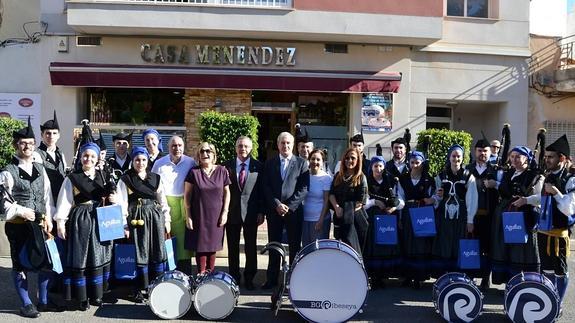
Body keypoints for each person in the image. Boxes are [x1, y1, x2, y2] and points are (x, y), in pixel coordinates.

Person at [1, 118, 57, 318]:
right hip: (18, 226)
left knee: (45, 262)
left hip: (40, 223)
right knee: (20, 264)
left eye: (31, 143)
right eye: (24, 143)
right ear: (16, 145)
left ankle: (43, 301)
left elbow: (46, 196)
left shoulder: (41, 168)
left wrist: (49, 217)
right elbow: (3, 203)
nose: (28, 146)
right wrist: (20, 210)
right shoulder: (8, 172)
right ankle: (26, 303)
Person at [55, 142, 121, 310]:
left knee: (99, 255)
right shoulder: (72, 178)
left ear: (98, 158)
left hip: (100, 218)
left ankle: (97, 294)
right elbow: (65, 200)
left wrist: (115, 200)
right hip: (81, 219)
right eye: (86, 156)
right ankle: (82, 297)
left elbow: (116, 197)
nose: (88, 159)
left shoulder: (104, 175)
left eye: (92, 156)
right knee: (81, 255)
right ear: (81, 157)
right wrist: (61, 222)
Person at [117, 147, 171, 301]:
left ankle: (158, 285)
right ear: (132, 161)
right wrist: (124, 225)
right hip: (136, 219)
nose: (140, 163)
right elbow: (122, 203)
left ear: (147, 161)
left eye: (143, 160)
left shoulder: (156, 178)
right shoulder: (126, 179)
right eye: (137, 160)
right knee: (140, 252)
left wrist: (167, 220)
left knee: (157, 250)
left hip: (155, 218)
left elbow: (162, 200)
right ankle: (139, 288)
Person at [490, 146, 543, 285]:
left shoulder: (535, 176)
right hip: (505, 216)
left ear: (527, 159)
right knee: (505, 248)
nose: (514, 160)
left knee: (521, 251)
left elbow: (541, 197)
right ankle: (509, 282)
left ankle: (522, 283)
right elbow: (504, 190)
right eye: (512, 156)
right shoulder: (509, 173)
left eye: (518, 156)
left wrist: (526, 200)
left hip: (524, 217)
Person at [262, 132, 309, 289]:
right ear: (278, 145)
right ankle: (271, 279)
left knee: (295, 246)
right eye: (282, 143)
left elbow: (304, 188)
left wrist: (289, 206)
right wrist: (277, 204)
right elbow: (266, 187)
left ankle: (293, 280)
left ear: (293, 144)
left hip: (293, 212)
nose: (285, 146)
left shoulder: (302, 163)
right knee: (274, 245)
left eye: (288, 143)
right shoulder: (269, 163)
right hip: (274, 211)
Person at [223, 136, 264, 290]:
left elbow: (261, 191)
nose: (243, 149)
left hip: (251, 213)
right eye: (240, 146)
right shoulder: (226, 166)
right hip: (232, 213)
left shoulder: (258, 166)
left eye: (246, 146)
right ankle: (234, 277)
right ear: (236, 148)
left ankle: (249, 277)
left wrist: (261, 211)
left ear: (251, 148)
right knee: (232, 248)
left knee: (250, 248)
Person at [184, 142, 231, 275]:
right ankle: (201, 276)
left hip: (216, 216)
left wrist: (225, 212)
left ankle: (210, 276)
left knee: (212, 247)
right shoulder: (194, 172)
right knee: (200, 247)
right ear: (198, 155)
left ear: (214, 154)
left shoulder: (222, 171)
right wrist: (188, 216)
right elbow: (187, 196)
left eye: (208, 151)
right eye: (202, 152)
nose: (205, 154)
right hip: (199, 215)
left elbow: (227, 192)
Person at [539, 135, 574, 309]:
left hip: (558, 235)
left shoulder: (570, 180)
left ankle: (557, 304)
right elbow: (541, 200)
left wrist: (556, 193)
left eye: (550, 157)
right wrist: (526, 200)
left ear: (561, 158)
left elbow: (569, 209)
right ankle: (548, 302)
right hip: (543, 232)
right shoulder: (547, 177)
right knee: (545, 271)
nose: (547, 160)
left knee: (560, 271)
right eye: (546, 157)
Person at [432, 144, 478, 276]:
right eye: (453, 156)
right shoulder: (441, 175)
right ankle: (443, 274)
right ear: (449, 157)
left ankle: (459, 273)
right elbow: (436, 197)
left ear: (463, 158)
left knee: (459, 243)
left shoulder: (468, 176)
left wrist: (470, 220)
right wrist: (438, 197)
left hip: (461, 216)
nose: (456, 159)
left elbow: (472, 199)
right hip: (444, 216)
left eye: (458, 156)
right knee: (444, 243)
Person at [151, 136, 195, 274]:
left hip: (184, 204)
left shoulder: (190, 162)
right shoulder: (159, 163)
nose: (177, 148)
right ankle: (168, 272)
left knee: (184, 243)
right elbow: (153, 184)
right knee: (168, 239)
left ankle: (186, 273)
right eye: (174, 146)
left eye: (180, 145)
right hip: (166, 204)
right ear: (168, 147)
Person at [363, 155, 404, 288]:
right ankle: (374, 277)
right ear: (372, 167)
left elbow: (401, 200)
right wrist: (375, 202)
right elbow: (363, 203)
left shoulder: (391, 180)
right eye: (376, 166)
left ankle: (383, 276)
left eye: (381, 166)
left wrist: (393, 207)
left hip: (388, 216)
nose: (378, 169)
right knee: (374, 246)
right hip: (373, 216)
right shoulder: (366, 181)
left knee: (386, 245)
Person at [465, 137, 500, 289]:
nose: (482, 154)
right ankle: (471, 277)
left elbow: (504, 189)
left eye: (485, 151)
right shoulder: (467, 169)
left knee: (488, 248)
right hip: (472, 216)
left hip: (489, 216)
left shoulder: (495, 170)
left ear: (490, 151)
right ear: (475, 152)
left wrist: (495, 185)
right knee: (472, 246)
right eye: (480, 151)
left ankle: (486, 278)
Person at [398, 151, 436, 289]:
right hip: (408, 213)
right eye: (412, 162)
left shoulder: (428, 179)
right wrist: (400, 218)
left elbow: (434, 197)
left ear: (422, 163)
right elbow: (400, 197)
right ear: (409, 163)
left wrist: (430, 200)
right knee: (408, 243)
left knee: (421, 244)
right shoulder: (403, 179)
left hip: (422, 213)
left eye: (417, 163)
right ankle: (408, 276)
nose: (414, 165)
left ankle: (419, 277)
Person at [329, 148, 369, 256]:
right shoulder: (338, 175)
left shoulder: (361, 177)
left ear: (358, 160)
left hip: (355, 220)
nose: (349, 160)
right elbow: (331, 194)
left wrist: (346, 212)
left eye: (353, 158)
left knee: (354, 250)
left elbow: (361, 202)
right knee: (340, 250)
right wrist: (337, 208)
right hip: (339, 216)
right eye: (347, 158)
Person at [34, 110, 67, 205]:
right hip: (45, 199)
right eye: (48, 133)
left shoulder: (60, 153)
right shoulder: (36, 154)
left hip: (61, 198)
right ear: (42, 135)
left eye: (54, 133)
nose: (51, 136)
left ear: (59, 135)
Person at [302, 149, 332, 246]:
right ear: (309, 160)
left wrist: (320, 220)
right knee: (306, 251)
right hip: (304, 219)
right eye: (313, 159)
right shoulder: (304, 175)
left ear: (322, 162)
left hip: (319, 220)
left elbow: (326, 200)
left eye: (318, 160)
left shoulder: (326, 178)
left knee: (318, 252)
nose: (315, 162)